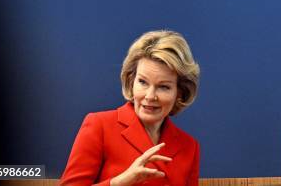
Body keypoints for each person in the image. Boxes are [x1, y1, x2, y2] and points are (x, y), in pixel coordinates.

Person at [61, 30, 201, 186]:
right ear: (131, 81)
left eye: (163, 87)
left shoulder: (189, 147)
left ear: (179, 92)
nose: (150, 96)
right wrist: (120, 182)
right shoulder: (99, 126)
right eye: (143, 82)